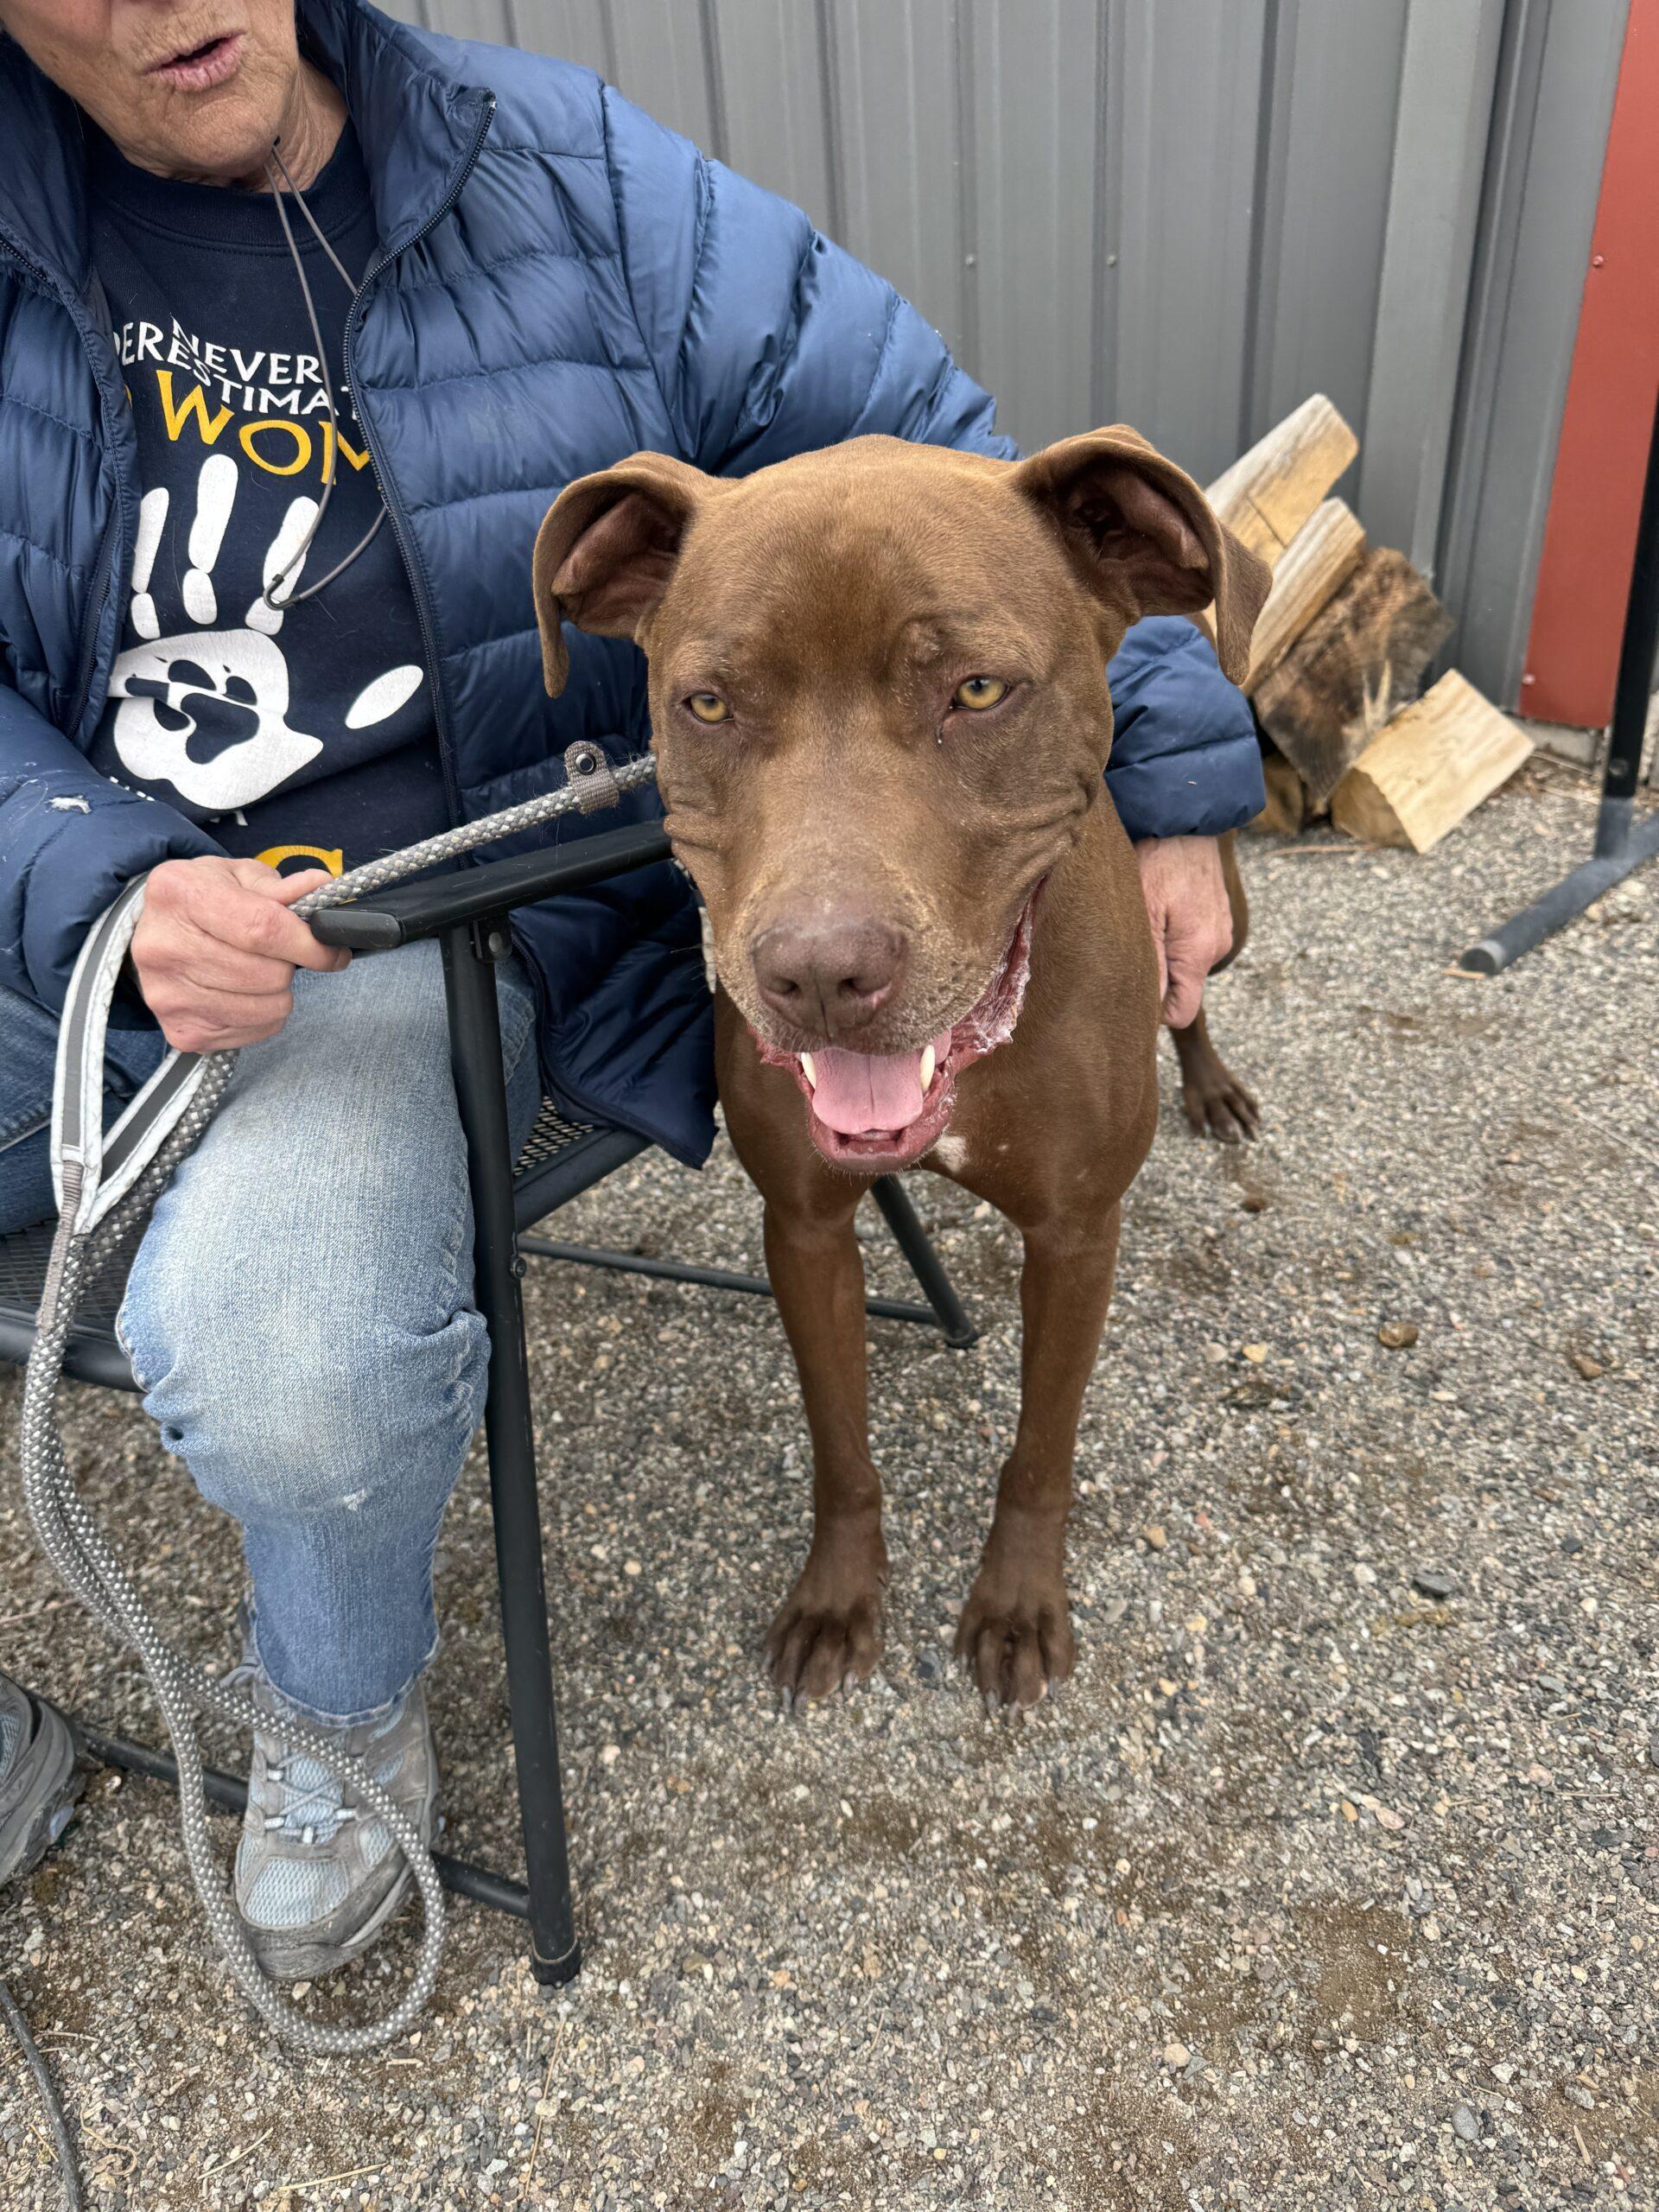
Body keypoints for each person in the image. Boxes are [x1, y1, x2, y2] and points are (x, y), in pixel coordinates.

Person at [0, 0, 1263, 1977]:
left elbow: (974, 497)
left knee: (286, 1346)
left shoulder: (567, 176)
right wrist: (82, 864)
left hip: (400, 938)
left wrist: (1179, 772)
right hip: (58, 901)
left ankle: (331, 1727)